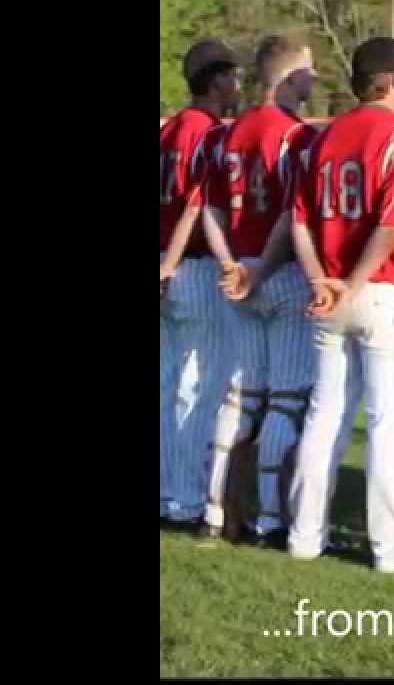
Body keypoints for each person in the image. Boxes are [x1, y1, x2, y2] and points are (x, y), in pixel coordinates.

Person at [286, 36, 394, 574]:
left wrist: (320, 280)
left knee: (325, 415)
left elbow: (300, 221)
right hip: (380, 290)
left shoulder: (321, 139)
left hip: (328, 290)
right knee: (387, 422)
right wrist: (351, 281)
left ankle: (304, 535)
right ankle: (392, 547)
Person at [197, 33, 321, 548]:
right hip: (281, 273)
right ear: (290, 75)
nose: (314, 79)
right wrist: (260, 270)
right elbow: (295, 215)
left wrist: (231, 264)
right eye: (309, 70)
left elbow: (209, 207)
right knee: (286, 400)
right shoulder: (299, 137)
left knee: (239, 396)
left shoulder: (225, 134)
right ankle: (270, 518)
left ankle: (213, 512)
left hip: (239, 268)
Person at [160, 39, 241, 529]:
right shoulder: (205, 132)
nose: (236, 85)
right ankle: (187, 498)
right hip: (190, 265)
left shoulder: (169, 129)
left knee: (169, 384)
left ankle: (169, 489)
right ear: (215, 81)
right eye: (230, 76)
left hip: (167, 265)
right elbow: (196, 201)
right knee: (200, 386)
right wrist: (171, 261)